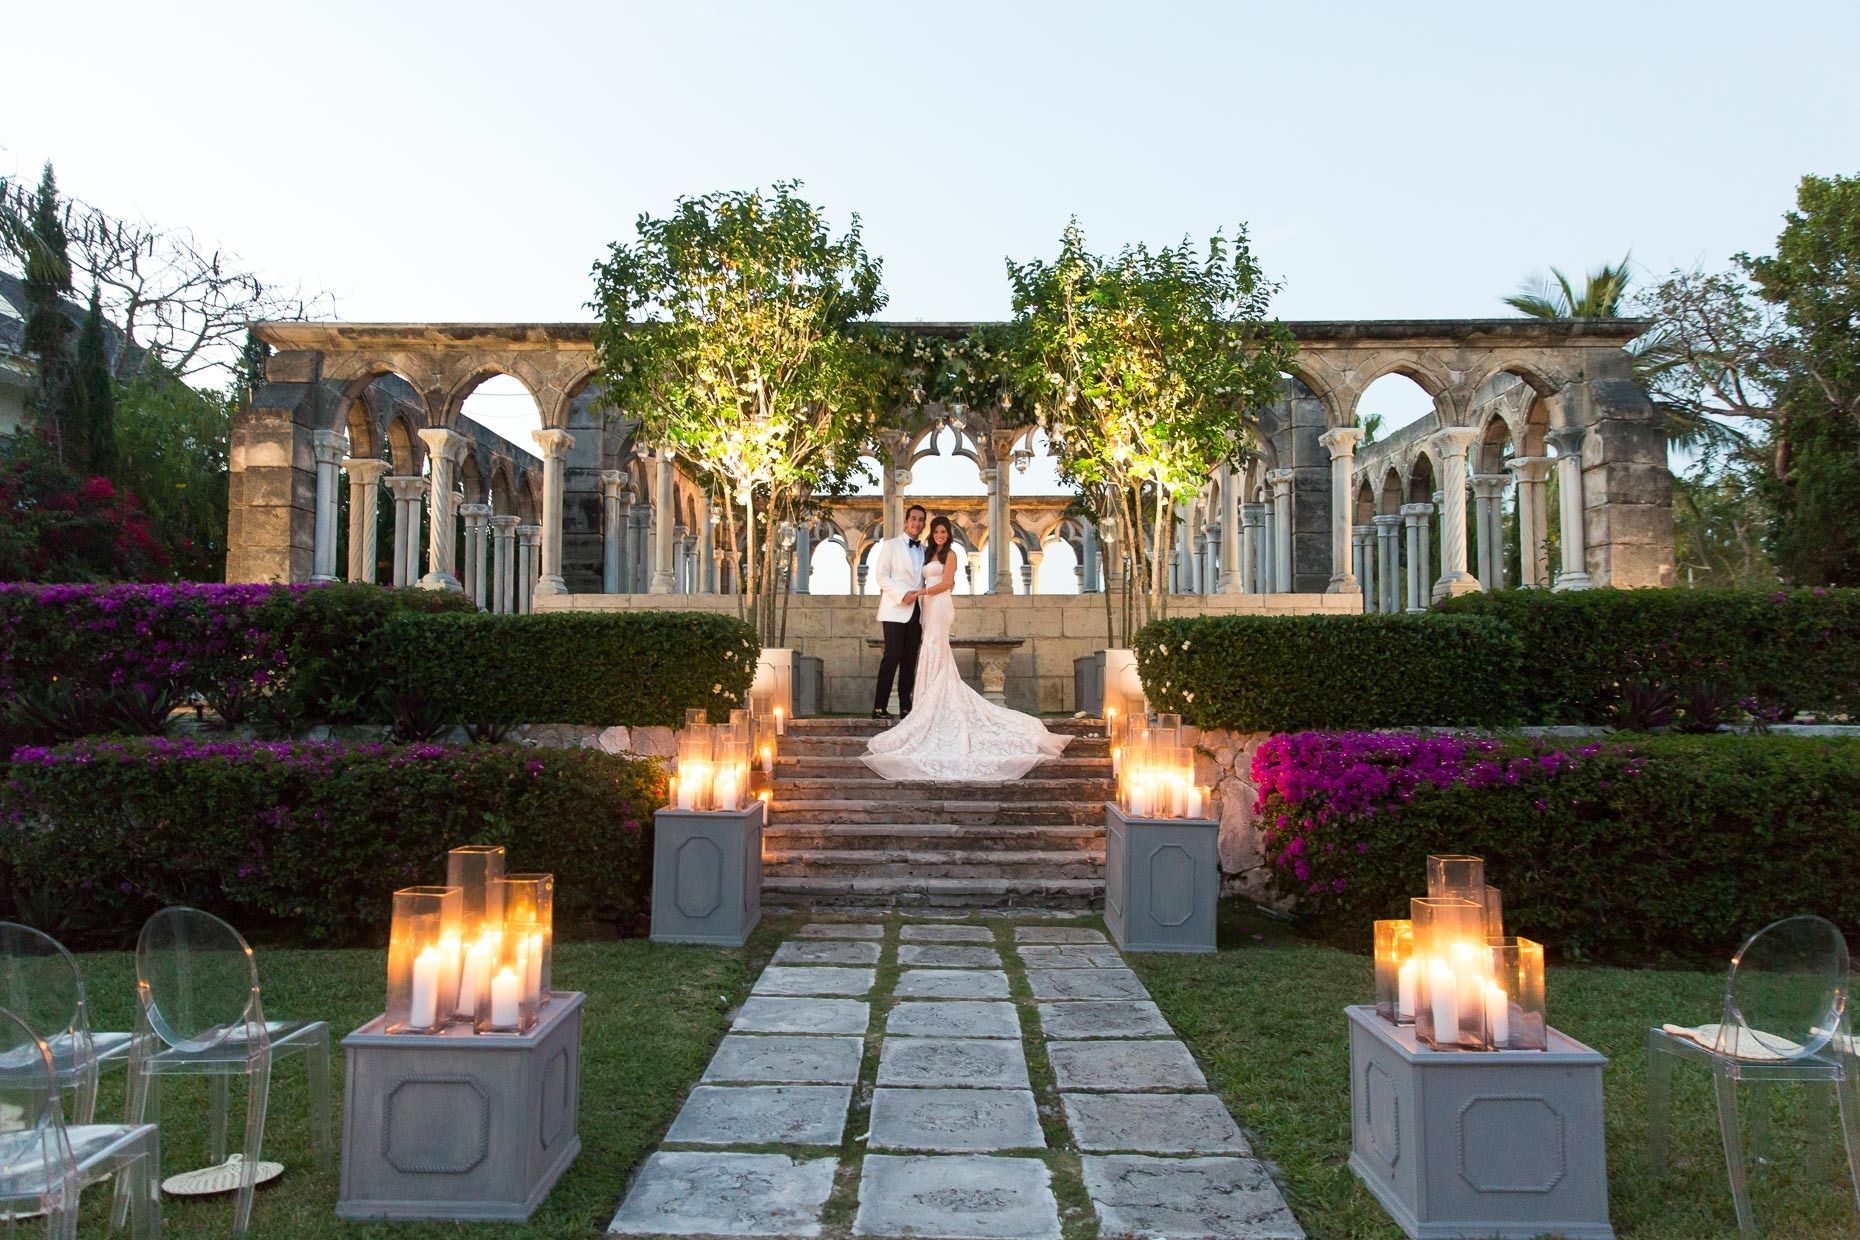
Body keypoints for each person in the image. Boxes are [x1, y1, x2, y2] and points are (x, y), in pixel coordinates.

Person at [863, 515, 1070, 781]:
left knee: (934, 648)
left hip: (936, 605)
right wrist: (916, 596)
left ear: (948, 534)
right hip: (918, 609)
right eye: (935, 531)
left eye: (943, 532)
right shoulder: (920, 551)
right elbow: (893, 577)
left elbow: (947, 583)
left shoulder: (950, 555)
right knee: (919, 652)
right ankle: (916, 703)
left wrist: (922, 594)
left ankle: (928, 701)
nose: (939, 535)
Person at [870, 504, 927, 719]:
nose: (916, 523)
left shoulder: (923, 550)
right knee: (892, 656)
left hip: (917, 612)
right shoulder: (890, 545)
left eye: (921, 520)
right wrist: (903, 594)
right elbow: (881, 576)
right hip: (894, 609)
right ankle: (879, 707)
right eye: (913, 518)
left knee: (910, 659)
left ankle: (906, 707)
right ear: (906, 521)